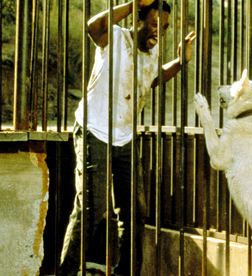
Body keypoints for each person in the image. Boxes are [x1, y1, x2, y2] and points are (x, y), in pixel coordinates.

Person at [59, 0, 196, 275]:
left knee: (134, 213)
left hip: (124, 137)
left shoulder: (152, 50)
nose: (160, 33)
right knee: (91, 208)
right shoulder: (115, 37)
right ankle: (66, 272)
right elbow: (93, 26)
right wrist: (134, 3)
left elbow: (152, 78)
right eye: (155, 24)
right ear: (139, 19)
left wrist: (181, 62)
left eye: (165, 28)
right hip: (94, 129)